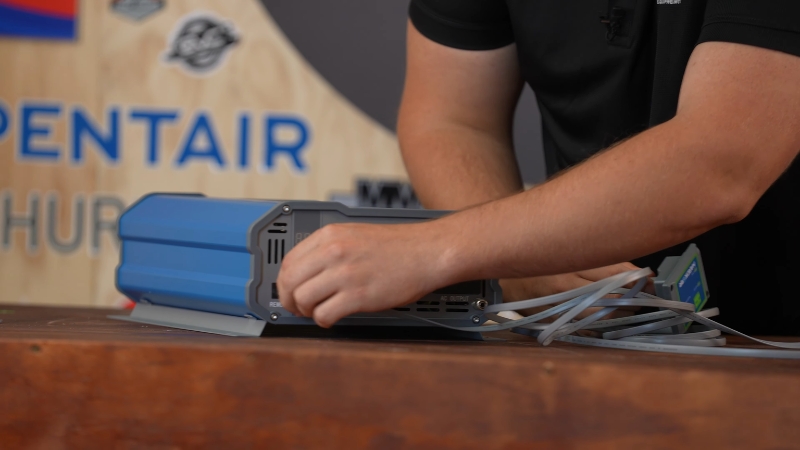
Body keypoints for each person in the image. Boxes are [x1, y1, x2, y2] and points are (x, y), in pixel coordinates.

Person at [277, 0, 800, 334]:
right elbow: (453, 119)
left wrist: (440, 250)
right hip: (590, 340)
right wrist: (522, 270)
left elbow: (722, 160)